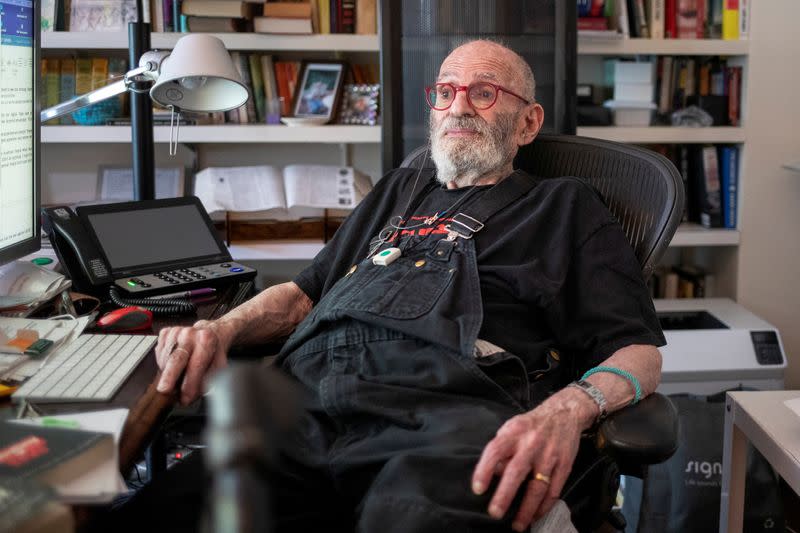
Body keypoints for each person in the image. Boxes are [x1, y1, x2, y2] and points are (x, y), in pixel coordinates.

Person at [149, 40, 665, 532]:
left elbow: (637, 351)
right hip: (306, 404)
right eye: (446, 92)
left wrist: (567, 411)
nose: (458, 107)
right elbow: (303, 295)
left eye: (483, 93)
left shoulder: (562, 206)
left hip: (442, 415)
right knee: (173, 512)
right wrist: (221, 328)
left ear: (528, 123)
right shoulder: (400, 187)